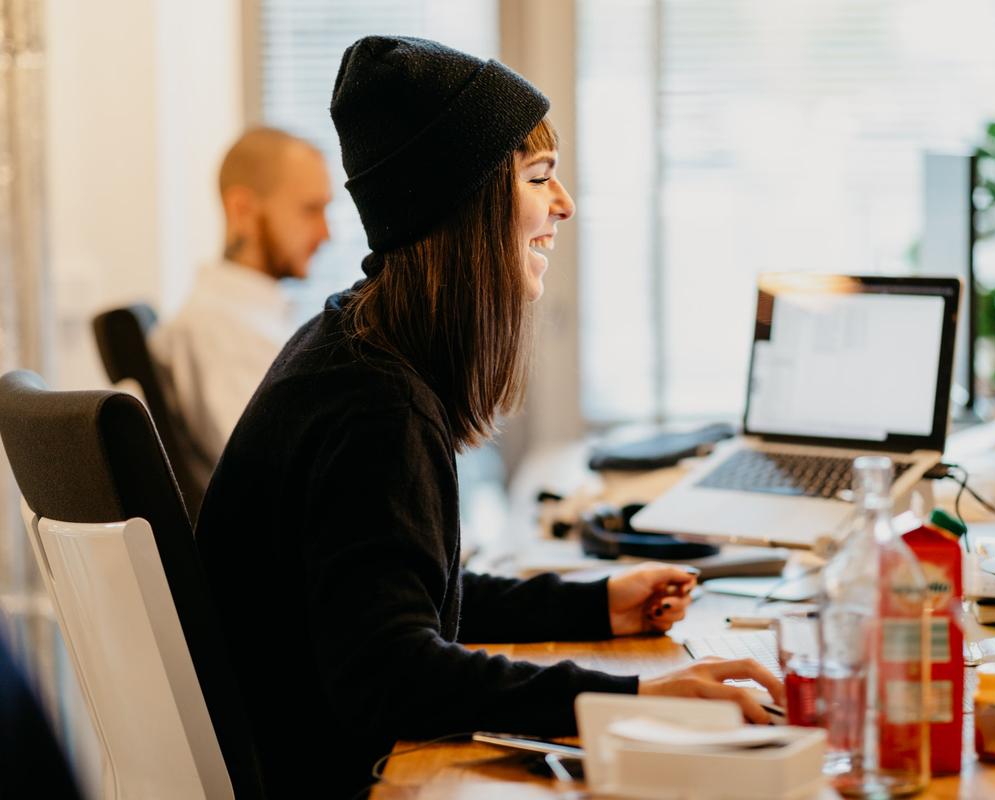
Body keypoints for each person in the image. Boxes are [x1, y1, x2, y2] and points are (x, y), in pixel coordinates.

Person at [195, 36, 782, 797]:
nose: (564, 204)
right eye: (540, 177)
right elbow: (390, 672)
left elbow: (402, 604)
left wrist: (594, 602)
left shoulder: (348, 345)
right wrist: (639, 699)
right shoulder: (376, 401)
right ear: (464, 203)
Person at [150, 127, 332, 482]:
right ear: (242, 209)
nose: (326, 233)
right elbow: (276, 477)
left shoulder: (250, 321)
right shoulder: (220, 331)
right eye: (310, 210)